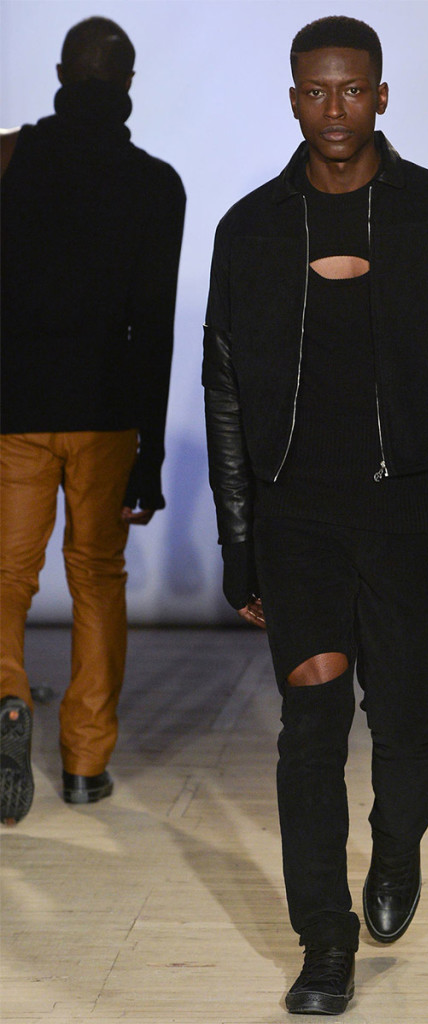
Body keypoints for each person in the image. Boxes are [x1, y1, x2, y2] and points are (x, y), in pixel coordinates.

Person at [203, 15, 428, 1015]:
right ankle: (325, 940)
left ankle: (395, 848)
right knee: (310, 726)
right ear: (291, 99)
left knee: (402, 715)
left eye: (351, 89)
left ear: (382, 95)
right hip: (294, 514)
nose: (333, 109)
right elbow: (224, 387)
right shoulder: (251, 228)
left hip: (402, 508)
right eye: (315, 91)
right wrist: (238, 539)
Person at [0, 17, 185, 824]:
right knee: (96, 578)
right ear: (129, 84)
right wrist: (151, 456)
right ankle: (84, 762)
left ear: (59, 74)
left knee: (6, 576)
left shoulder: (6, 161)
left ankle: (7, 700)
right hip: (107, 413)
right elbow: (156, 326)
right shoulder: (156, 184)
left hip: (14, 409)